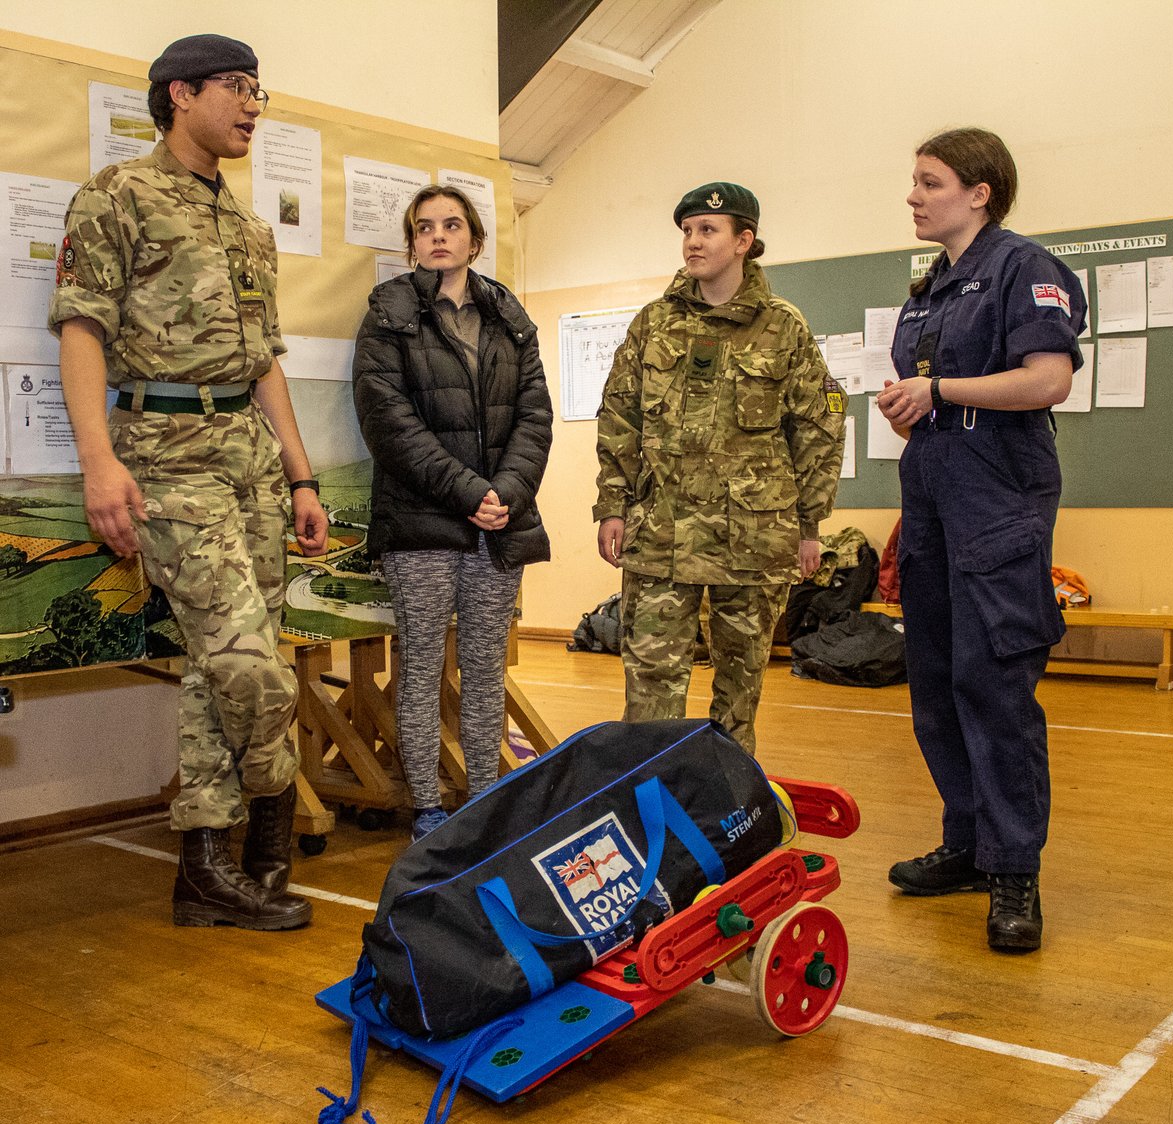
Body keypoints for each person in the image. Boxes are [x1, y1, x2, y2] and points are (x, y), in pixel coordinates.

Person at [50, 34, 328, 930]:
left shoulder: (248, 226)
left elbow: (267, 362)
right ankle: (275, 817)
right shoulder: (117, 194)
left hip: (248, 454)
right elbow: (82, 328)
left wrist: (301, 477)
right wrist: (100, 459)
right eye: (236, 88)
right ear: (180, 93)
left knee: (218, 669)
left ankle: (208, 869)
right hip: (164, 456)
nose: (252, 105)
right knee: (250, 661)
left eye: (259, 90)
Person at [878, 128, 1086, 953]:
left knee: (993, 689)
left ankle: (1013, 872)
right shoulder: (929, 288)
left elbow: (1048, 378)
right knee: (934, 684)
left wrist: (936, 388)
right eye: (915, 180)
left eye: (930, 182)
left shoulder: (1022, 269)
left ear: (980, 193)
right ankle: (967, 846)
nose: (914, 195)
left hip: (997, 505)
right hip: (931, 500)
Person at [594, 183, 846, 756]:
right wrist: (612, 505)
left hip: (753, 537)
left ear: (744, 241)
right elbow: (618, 417)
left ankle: (728, 809)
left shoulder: (783, 327)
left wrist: (810, 524)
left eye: (707, 230)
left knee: (740, 689)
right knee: (651, 684)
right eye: (686, 231)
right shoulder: (653, 324)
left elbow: (820, 424)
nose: (692, 242)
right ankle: (652, 806)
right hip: (661, 532)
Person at [353, 185, 552, 842]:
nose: (438, 236)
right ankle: (430, 811)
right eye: (425, 227)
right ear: (412, 243)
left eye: (452, 225)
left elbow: (534, 416)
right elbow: (390, 423)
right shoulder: (389, 314)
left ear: (474, 239)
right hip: (422, 525)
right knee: (420, 666)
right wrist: (470, 492)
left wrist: (507, 493)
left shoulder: (509, 317)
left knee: (487, 664)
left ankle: (487, 804)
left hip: (499, 522)